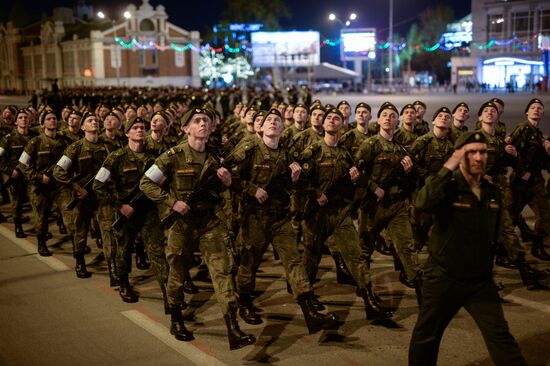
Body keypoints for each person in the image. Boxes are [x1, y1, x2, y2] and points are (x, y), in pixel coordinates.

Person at [139, 107, 256, 350]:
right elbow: (146, 183)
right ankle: (176, 318)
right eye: (197, 120)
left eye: (206, 120)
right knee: (178, 273)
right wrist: (173, 202)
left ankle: (233, 328)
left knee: (223, 272)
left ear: (213, 127)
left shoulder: (217, 157)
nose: (203, 123)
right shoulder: (172, 155)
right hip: (182, 225)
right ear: (185, 128)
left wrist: (227, 182)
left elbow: (229, 185)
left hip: (210, 223)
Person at [408, 131, 527, 366]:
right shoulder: (447, 187)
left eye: (482, 152)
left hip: (479, 282)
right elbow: (422, 202)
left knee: (501, 337)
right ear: (460, 156)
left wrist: (517, 255)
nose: (478, 157)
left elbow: (499, 230)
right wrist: (448, 167)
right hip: (444, 278)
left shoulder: (492, 193)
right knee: (427, 338)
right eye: (471, 152)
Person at [229, 108, 339, 333]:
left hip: (280, 219)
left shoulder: (287, 154)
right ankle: (245, 301)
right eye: (268, 120)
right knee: (250, 263)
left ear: (282, 128)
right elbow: (228, 175)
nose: (272, 123)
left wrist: (295, 178)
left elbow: (292, 187)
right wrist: (252, 189)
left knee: (293, 261)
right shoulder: (249, 149)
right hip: (254, 218)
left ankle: (309, 312)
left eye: (276, 121)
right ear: (261, 127)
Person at [93, 116, 169, 306]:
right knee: (124, 250)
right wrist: (119, 205)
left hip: (149, 212)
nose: (140, 130)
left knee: (157, 251)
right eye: (134, 127)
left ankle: (168, 293)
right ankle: (124, 283)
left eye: (142, 127)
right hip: (126, 212)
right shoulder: (116, 157)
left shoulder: (155, 157)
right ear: (126, 133)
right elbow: (97, 185)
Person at [509, 98, 550, 261]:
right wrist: (521, 172)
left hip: (535, 182)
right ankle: (503, 251)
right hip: (519, 183)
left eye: (539, 108)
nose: (536, 110)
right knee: (510, 217)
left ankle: (537, 246)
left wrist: (547, 151)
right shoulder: (522, 129)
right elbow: (510, 152)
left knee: (545, 215)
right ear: (527, 112)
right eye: (533, 108)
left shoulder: (538, 134)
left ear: (542, 113)